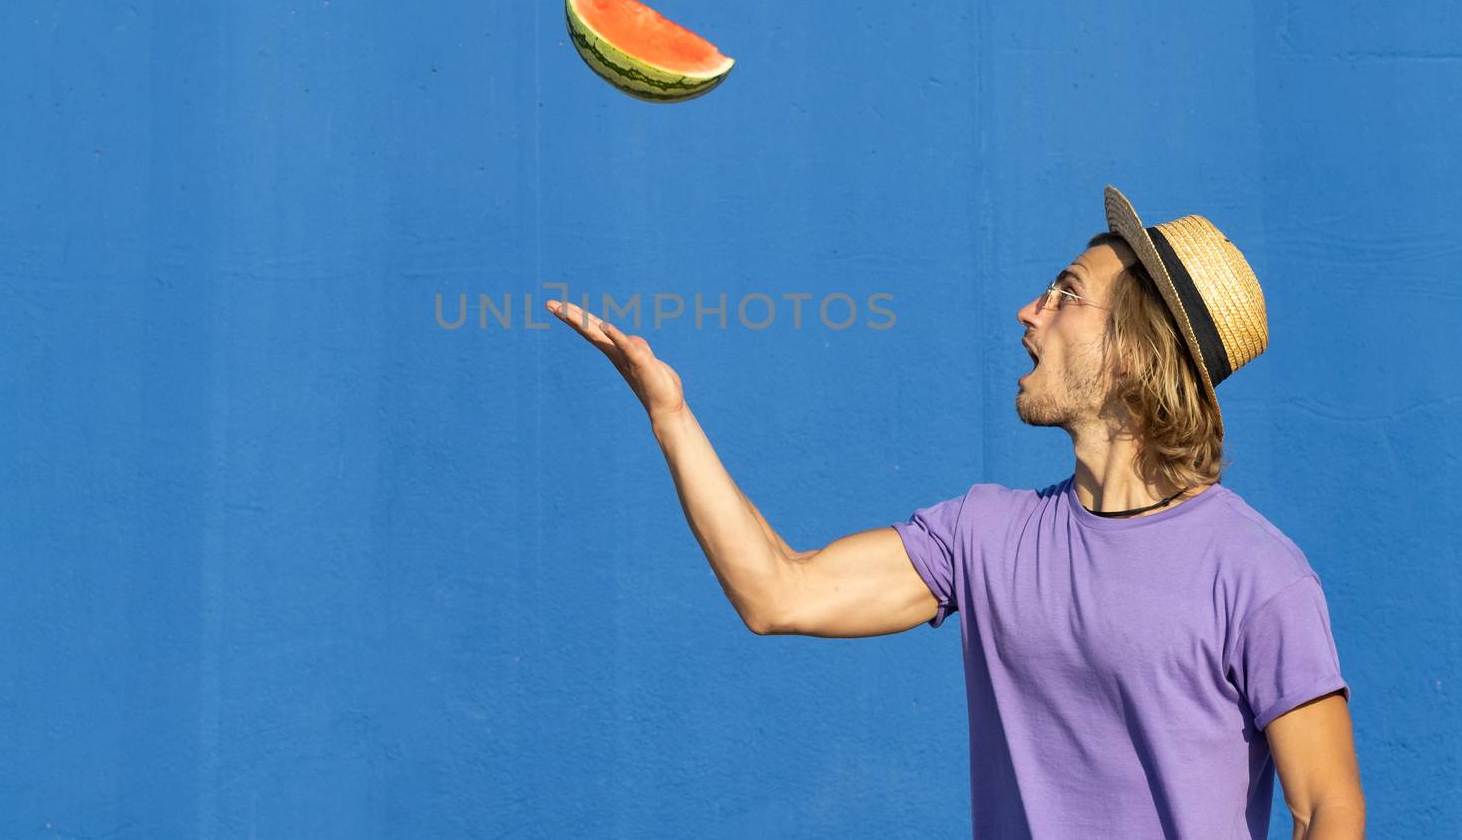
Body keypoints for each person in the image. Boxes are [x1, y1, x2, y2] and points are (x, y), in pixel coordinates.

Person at [545, 185, 1364, 839]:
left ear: (1132, 353)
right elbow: (779, 591)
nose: (1029, 311)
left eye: (1066, 293)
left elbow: (1327, 809)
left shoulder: (1256, 574)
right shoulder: (984, 534)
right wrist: (670, 414)